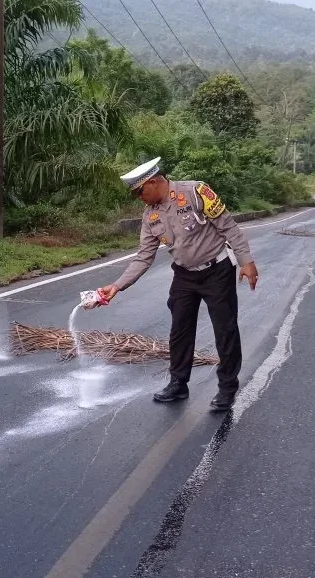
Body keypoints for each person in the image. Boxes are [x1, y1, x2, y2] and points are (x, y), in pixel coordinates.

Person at [99, 158, 259, 412]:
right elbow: (144, 256)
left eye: (139, 191)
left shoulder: (196, 192)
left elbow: (229, 227)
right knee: (180, 331)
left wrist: (246, 261)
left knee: (225, 330)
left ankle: (227, 388)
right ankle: (178, 383)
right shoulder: (150, 216)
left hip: (217, 270)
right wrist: (117, 286)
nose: (138, 198)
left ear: (153, 182)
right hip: (184, 275)